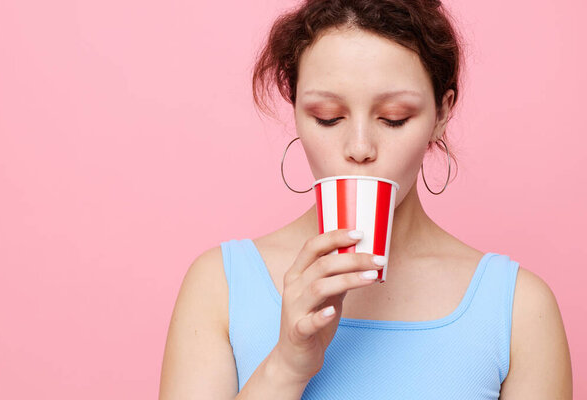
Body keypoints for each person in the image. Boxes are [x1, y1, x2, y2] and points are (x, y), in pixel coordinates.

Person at [159, 0, 573, 398]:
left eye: (394, 118)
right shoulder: (220, 286)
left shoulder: (519, 310)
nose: (359, 147)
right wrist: (285, 367)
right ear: (297, 110)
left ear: (442, 114)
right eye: (328, 117)